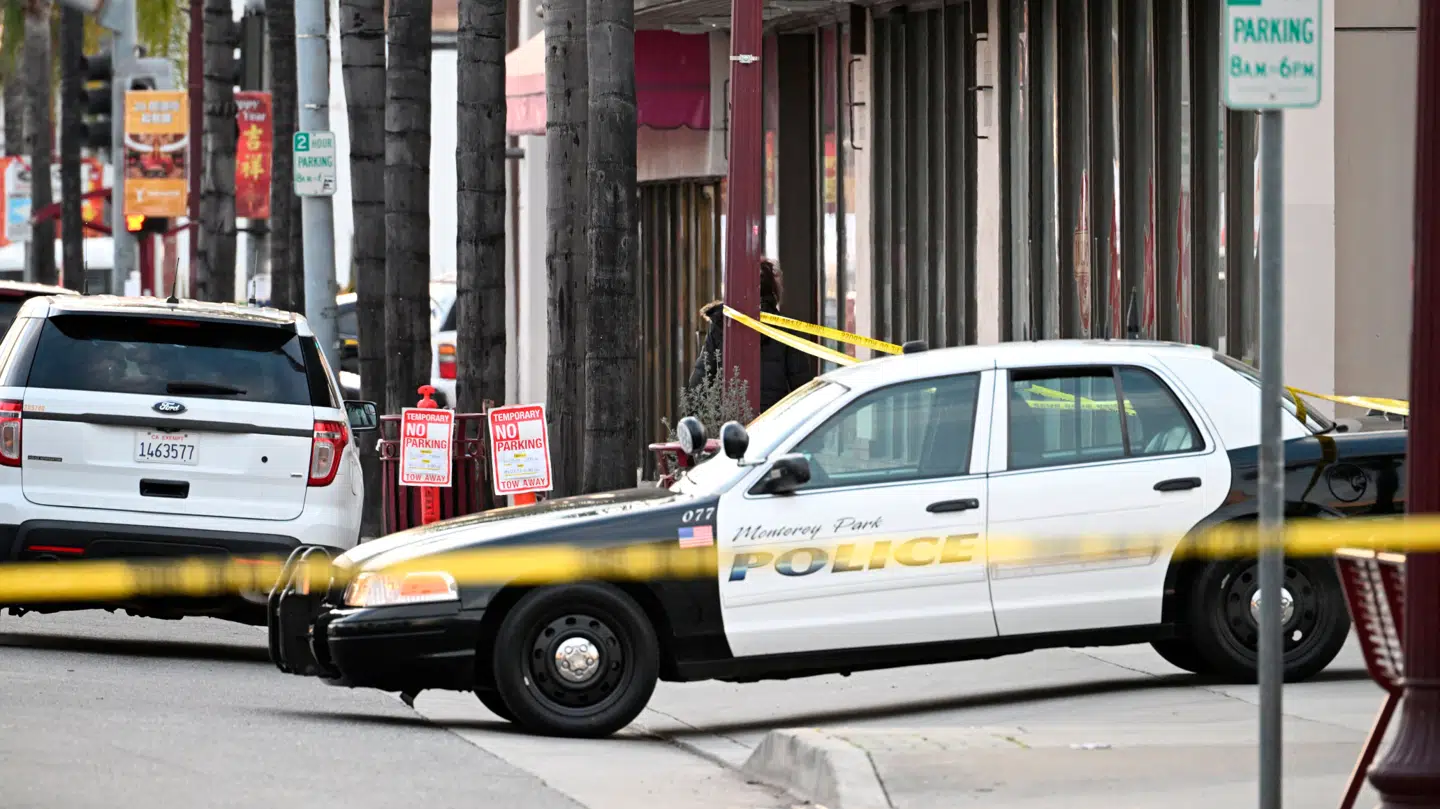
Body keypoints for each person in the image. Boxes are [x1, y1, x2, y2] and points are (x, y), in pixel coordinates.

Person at [688, 258, 817, 413]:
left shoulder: (721, 325)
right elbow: (803, 388)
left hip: (731, 424)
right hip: (773, 424)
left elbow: (699, 383)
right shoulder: (784, 328)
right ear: (773, 291)